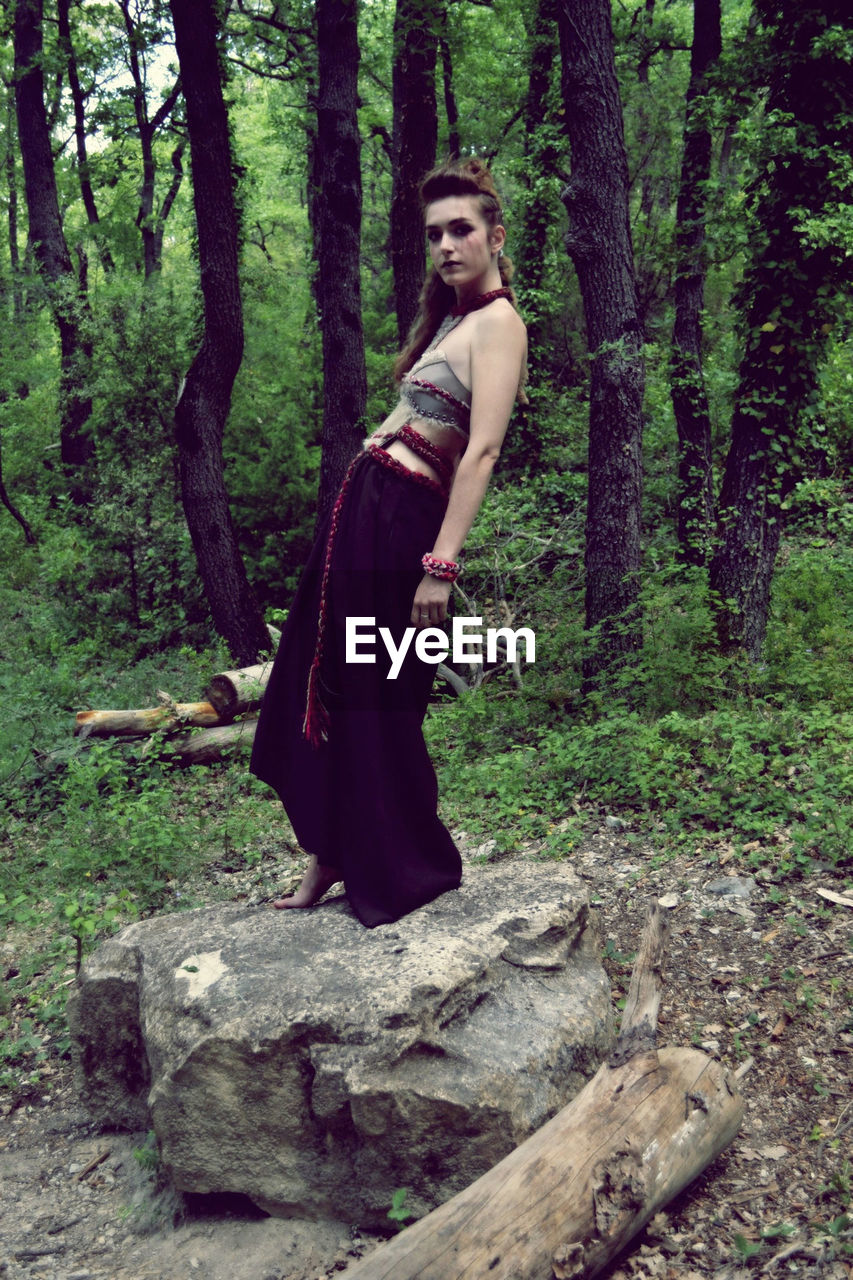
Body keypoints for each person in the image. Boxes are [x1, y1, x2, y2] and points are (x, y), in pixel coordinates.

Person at [249, 157, 527, 927]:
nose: (445, 245)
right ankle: (330, 851)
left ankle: (401, 865)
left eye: (461, 229)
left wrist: (439, 565)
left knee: (378, 695)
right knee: (324, 682)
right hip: (364, 511)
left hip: (407, 524)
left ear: (494, 236)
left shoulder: (500, 325)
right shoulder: (453, 323)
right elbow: (406, 421)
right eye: (434, 233)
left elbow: (481, 451)